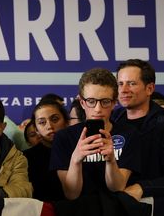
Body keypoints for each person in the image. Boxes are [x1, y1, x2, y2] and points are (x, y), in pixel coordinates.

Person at [50, 67, 139, 200]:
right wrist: (76, 159)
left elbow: (117, 188)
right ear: (82, 102)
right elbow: (71, 194)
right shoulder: (64, 137)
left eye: (105, 102)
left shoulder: (129, 134)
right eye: (91, 101)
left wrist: (111, 160)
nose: (98, 109)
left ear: (114, 102)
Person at [113, 59, 164, 200]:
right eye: (120, 84)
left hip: (149, 206)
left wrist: (142, 188)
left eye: (132, 83)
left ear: (149, 89)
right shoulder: (111, 122)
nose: (124, 90)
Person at [24, 100, 69, 201]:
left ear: (66, 122)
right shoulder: (25, 158)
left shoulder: (79, 152)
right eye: (42, 122)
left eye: (55, 119)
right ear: (36, 129)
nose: (49, 126)